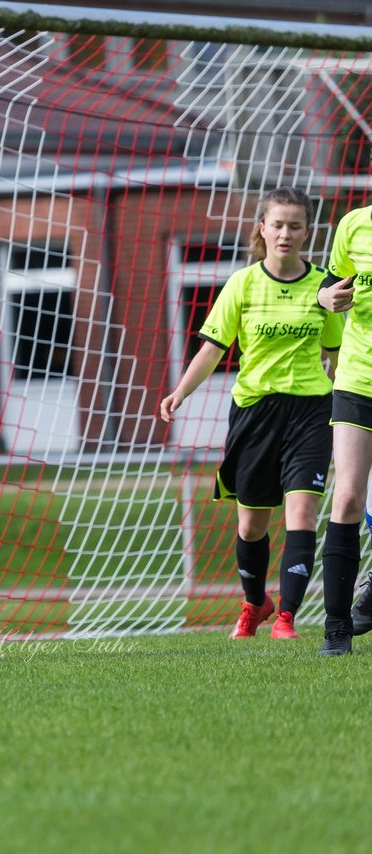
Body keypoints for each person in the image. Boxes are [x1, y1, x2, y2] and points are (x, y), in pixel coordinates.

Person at [160, 187, 342, 643]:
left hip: (310, 412)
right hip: (255, 413)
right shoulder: (242, 283)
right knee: (251, 523)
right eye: (277, 224)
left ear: (308, 232)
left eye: (295, 225)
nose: (285, 233)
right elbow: (213, 348)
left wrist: (350, 404)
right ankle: (254, 602)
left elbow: (338, 356)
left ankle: (286, 617)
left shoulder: (325, 285)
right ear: (262, 229)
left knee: (301, 512)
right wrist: (179, 393)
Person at [315, 201, 372, 655]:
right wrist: (324, 298)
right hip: (356, 378)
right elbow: (330, 285)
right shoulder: (354, 224)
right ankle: (336, 629)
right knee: (348, 494)